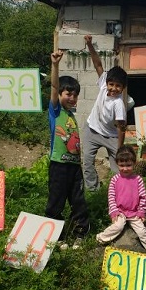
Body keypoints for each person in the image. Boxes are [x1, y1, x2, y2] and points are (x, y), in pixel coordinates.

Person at [46, 51, 89, 247]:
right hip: (59, 166)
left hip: (74, 167)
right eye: (68, 94)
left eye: (75, 95)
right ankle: (57, 236)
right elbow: (54, 87)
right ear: (60, 95)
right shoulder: (56, 111)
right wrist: (55, 65)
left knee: (78, 201)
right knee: (56, 202)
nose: (72, 97)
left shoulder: (71, 116)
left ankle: (80, 234)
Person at [82, 34, 128, 191]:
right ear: (106, 82)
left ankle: (121, 191)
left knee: (119, 168)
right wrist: (89, 45)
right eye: (111, 84)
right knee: (87, 162)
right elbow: (97, 63)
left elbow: (121, 127)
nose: (114, 88)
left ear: (123, 88)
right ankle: (93, 190)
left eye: (118, 86)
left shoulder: (118, 104)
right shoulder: (103, 85)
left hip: (111, 137)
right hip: (92, 130)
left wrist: (120, 148)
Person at [96, 146, 146, 252]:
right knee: (118, 226)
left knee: (142, 231)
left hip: (134, 212)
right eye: (122, 165)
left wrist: (142, 212)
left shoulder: (138, 180)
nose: (125, 168)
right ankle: (100, 238)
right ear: (117, 164)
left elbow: (143, 197)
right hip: (120, 212)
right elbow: (111, 197)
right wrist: (114, 212)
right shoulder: (115, 180)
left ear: (134, 163)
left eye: (128, 165)